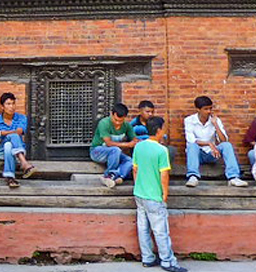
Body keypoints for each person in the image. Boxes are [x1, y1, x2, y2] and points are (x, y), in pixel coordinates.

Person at [131, 117, 187, 272]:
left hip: (139, 193)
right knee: (161, 230)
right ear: (158, 130)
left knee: (143, 228)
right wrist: (165, 193)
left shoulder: (139, 147)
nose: (165, 130)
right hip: (154, 195)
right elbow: (164, 175)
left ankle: (147, 258)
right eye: (164, 128)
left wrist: (138, 186)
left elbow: (135, 169)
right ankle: (168, 261)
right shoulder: (162, 150)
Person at [183, 96, 247, 187]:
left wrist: (215, 125)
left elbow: (224, 140)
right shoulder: (189, 120)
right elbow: (191, 140)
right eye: (206, 109)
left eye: (210, 108)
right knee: (192, 146)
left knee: (227, 145)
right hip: (198, 154)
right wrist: (209, 143)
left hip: (212, 153)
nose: (209, 111)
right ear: (198, 109)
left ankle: (233, 177)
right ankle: (193, 176)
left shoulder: (215, 120)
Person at [0, 92, 35, 188]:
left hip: (16, 148)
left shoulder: (21, 118)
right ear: (2, 106)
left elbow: (19, 131)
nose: (12, 107)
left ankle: (10, 178)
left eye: (13, 103)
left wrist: (0, 133)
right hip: (0, 151)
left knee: (9, 145)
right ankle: (24, 163)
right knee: (8, 141)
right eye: (8, 104)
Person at [91, 103, 137, 188]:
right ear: (111, 114)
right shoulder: (104, 123)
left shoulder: (127, 126)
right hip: (97, 151)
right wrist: (127, 144)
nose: (118, 123)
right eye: (115, 120)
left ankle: (117, 176)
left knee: (130, 161)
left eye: (120, 121)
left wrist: (135, 142)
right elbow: (108, 143)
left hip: (115, 153)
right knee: (115, 150)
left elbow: (134, 139)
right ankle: (108, 175)